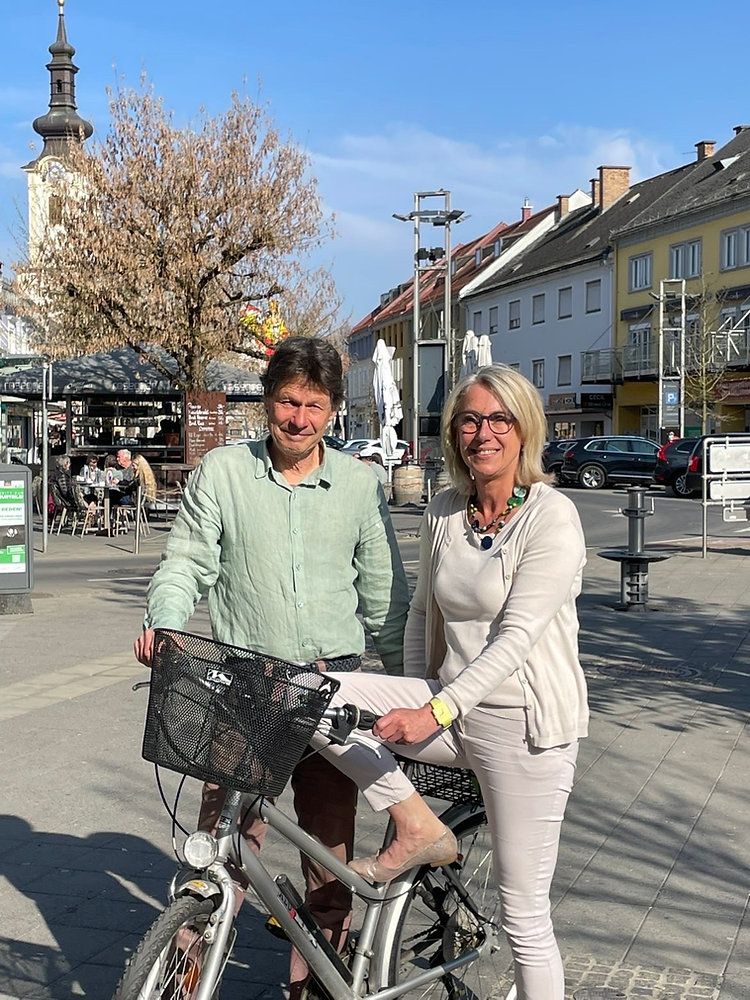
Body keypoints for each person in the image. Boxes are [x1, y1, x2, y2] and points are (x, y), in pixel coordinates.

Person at [133, 336, 410, 997]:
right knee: (220, 848)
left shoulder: (358, 485)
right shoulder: (224, 473)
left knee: (328, 855)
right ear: (267, 402)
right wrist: (166, 621)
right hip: (244, 686)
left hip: (331, 684)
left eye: (314, 406)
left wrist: (411, 694)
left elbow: (386, 598)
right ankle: (182, 979)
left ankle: (316, 985)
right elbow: (188, 561)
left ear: (333, 410)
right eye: (288, 401)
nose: (299, 419)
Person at [314, 364, 588, 1000]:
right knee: (317, 697)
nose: (482, 432)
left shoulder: (552, 516)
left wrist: (431, 712)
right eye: (469, 419)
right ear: (452, 433)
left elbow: (515, 638)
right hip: (450, 710)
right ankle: (417, 826)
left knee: (524, 916)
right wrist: (413, 698)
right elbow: (420, 615)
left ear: (525, 431)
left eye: (499, 420)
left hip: (526, 727)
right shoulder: (444, 510)